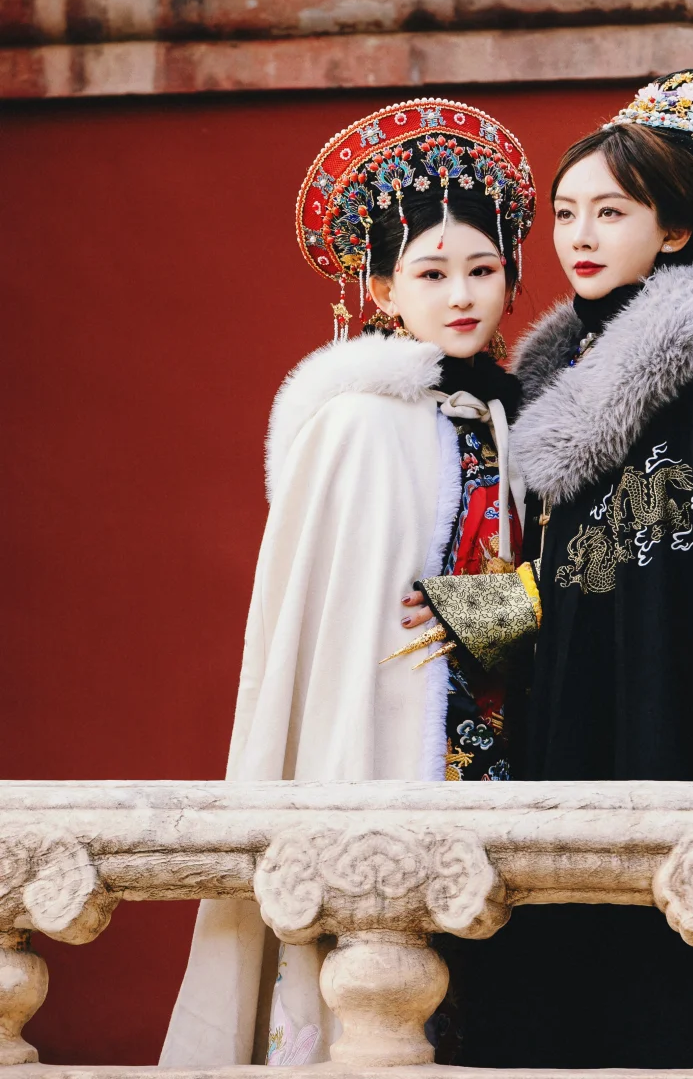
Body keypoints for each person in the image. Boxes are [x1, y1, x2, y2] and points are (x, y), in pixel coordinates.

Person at [420, 69, 693, 1068]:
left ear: (676, 230)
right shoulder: (557, 388)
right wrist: (461, 614)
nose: (580, 235)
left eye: (612, 212)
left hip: (677, 737)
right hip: (573, 736)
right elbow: (570, 585)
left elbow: (689, 603)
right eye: (566, 212)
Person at [160, 99, 536, 1067]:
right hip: (385, 746)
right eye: (432, 273)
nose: (463, 295)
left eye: (483, 270)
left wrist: (493, 611)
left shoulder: (501, 420)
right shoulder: (358, 424)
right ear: (381, 289)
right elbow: (351, 632)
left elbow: (513, 597)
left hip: (493, 760)